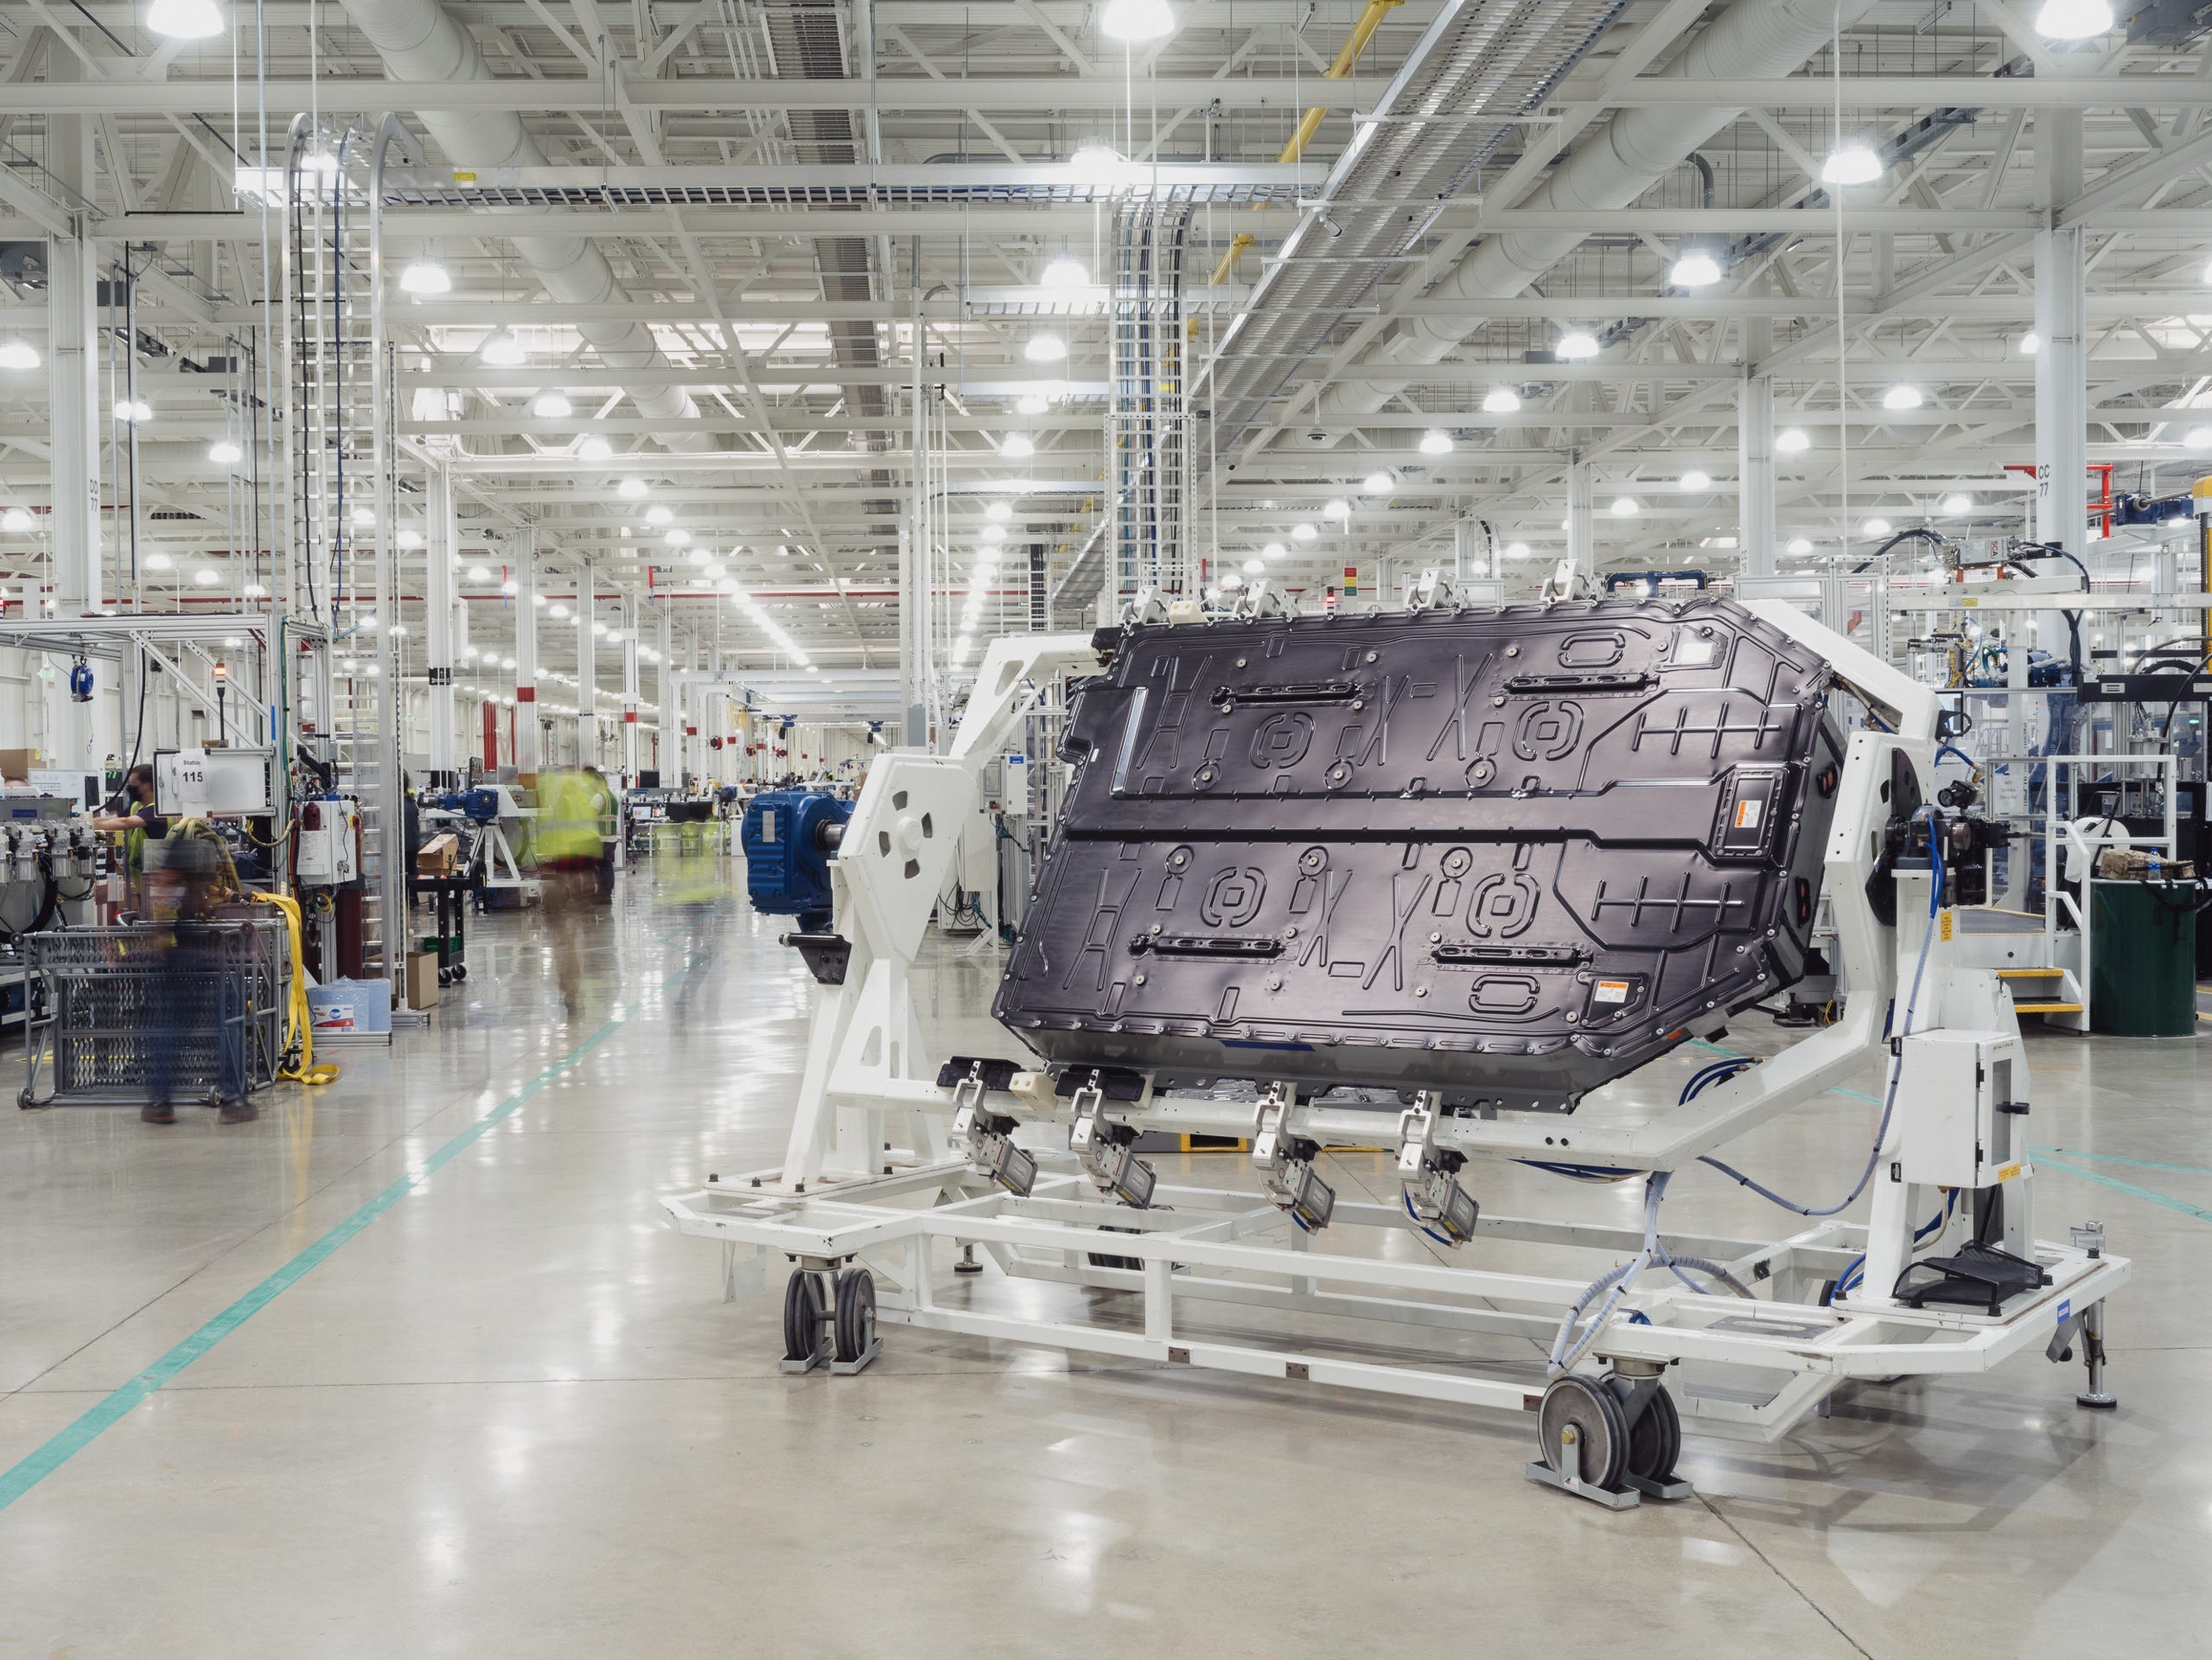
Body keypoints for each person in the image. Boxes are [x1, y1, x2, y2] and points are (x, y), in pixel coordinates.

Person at [138, 824, 252, 1125]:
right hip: (195, 956)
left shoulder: (182, 850)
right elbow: (183, 893)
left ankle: (161, 1102)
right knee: (224, 1026)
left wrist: (161, 939)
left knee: (173, 1029)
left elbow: (166, 890)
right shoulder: (194, 853)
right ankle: (232, 1099)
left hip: (184, 955)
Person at [534, 767, 610, 1014]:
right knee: (574, 933)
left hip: (563, 868)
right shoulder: (584, 791)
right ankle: (573, 986)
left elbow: (551, 833)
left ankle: (570, 987)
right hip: (585, 865)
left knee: (564, 937)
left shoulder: (556, 794)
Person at [92, 763, 168, 915]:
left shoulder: (157, 810)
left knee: (157, 924)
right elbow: (114, 818)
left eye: (133, 783)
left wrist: (89, 826)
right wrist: (85, 824)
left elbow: (124, 823)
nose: (129, 787)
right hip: (144, 881)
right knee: (146, 921)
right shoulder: (137, 807)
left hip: (160, 884)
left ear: (146, 786)